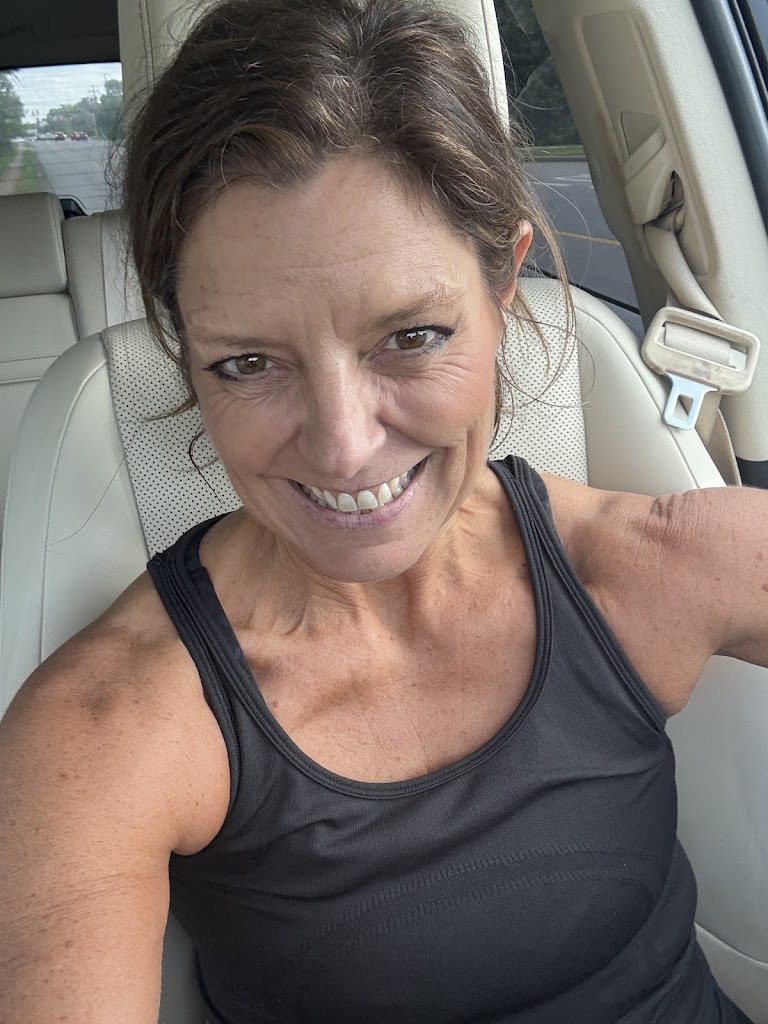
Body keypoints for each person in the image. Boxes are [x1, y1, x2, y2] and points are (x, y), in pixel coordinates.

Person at [0, 0, 765, 1021]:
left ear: (505, 289)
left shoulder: (639, 567)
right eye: (247, 362)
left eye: (410, 337)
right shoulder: (109, 725)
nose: (343, 445)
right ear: (185, 351)